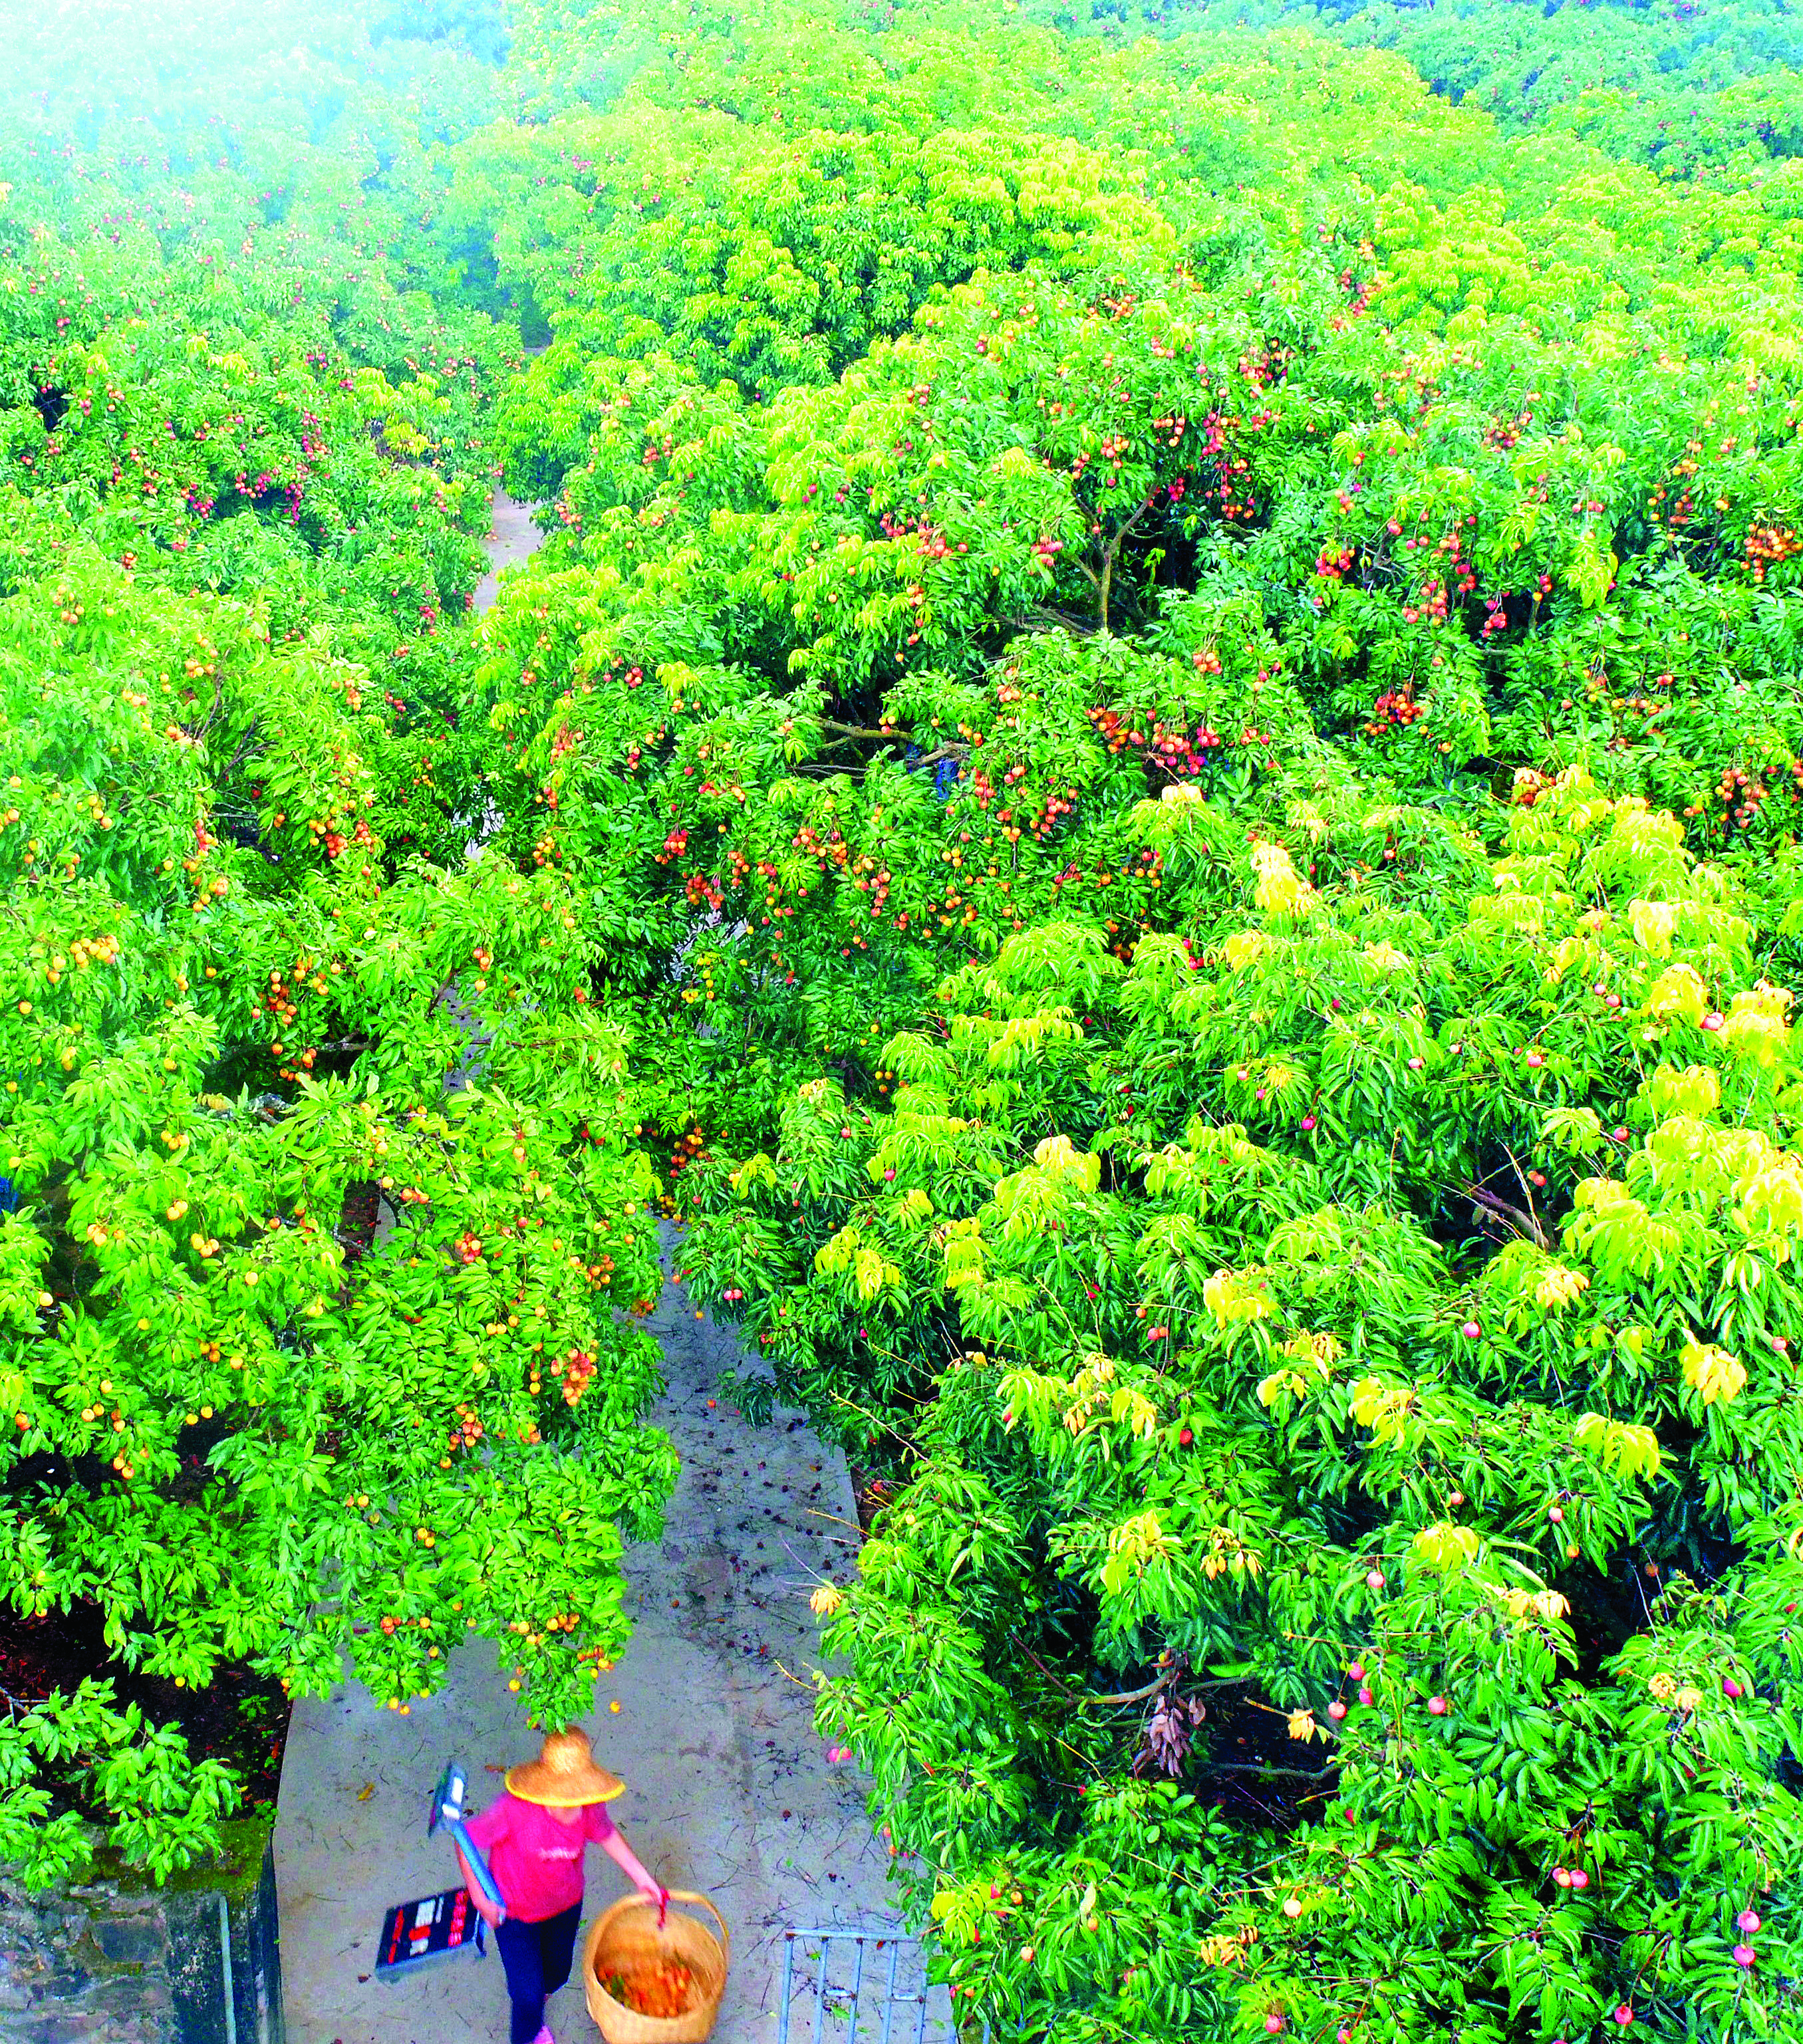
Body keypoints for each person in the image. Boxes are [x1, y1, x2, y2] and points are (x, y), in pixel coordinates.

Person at [456, 1725, 668, 2044]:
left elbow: (606, 1833)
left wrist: (641, 1877)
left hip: (565, 1906)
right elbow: (465, 1841)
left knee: (555, 1976)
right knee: (526, 1995)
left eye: (579, 1796)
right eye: (565, 1797)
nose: (573, 1805)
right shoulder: (514, 1810)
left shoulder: (588, 1807)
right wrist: (479, 1899)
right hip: (513, 1912)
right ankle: (528, 2034)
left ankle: (538, 2000)